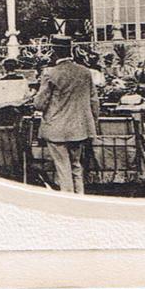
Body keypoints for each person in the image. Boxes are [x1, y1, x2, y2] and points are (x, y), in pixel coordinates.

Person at [31, 35, 99, 194]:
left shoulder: (50, 74)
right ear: (70, 50)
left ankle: (68, 201)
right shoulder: (85, 72)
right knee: (76, 165)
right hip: (79, 128)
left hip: (57, 129)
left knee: (63, 167)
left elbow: (39, 104)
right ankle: (80, 198)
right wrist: (92, 122)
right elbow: (94, 101)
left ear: (54, 51)